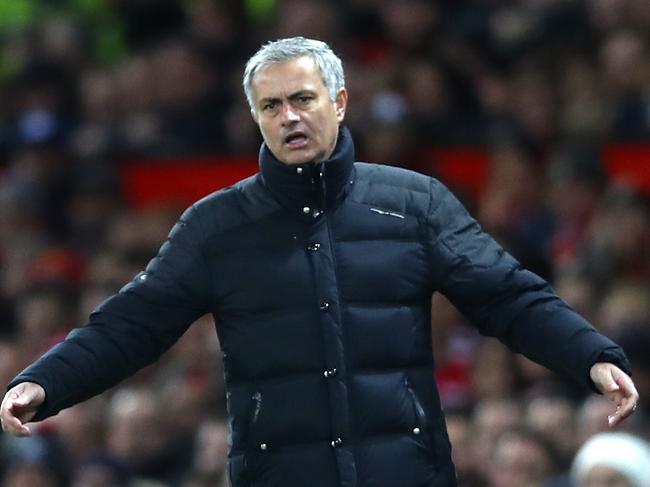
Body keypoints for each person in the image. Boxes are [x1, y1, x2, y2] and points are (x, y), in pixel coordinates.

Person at [0, 37, 639, 487]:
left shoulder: (414, 203)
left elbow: (508, 297)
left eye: (303, 98)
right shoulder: (216, 226)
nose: (290, 116)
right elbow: (130, 324)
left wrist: (589, 354)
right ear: (255, 118)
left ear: (338, 102)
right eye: (271, 106)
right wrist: (46, 381)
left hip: (406, 472)